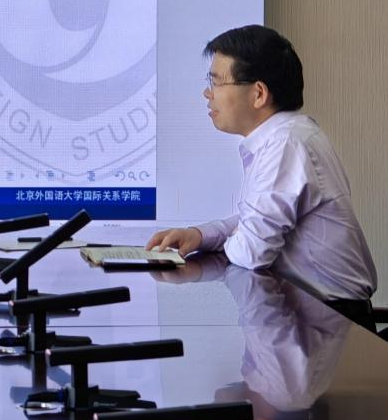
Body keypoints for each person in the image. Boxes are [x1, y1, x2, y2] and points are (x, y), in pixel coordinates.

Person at [148, 25, 377, 329]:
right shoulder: (283, 137)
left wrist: (229, 239)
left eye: (216, 82)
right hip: (311, 314)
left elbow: (251, 250)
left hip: (331, 323)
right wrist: (201, 235)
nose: (207, 93)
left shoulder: (287, 144)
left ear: (258, 94)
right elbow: (254, 220)